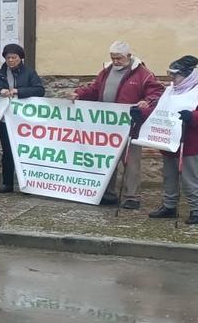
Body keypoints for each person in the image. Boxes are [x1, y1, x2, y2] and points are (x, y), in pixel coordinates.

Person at [69, 41, 163, 208]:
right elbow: (94, 89)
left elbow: (156, 92)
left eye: (119, 58)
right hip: (106, 126)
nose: (116, 62)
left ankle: (131, 197)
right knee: (107, 160)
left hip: (129, 125)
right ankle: (108, 193)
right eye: (113, 58)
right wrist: (80, 94)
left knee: (131, 162)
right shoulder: (106, 71)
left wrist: (146, 102)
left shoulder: (142, 73)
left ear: (128, 56)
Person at [0, 43, 45, 193]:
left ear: (21, 58)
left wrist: (19, 91)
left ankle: (32, 182)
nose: (11, 60)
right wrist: (0, 90)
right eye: (8, 58)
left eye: (14, 57)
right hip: (6, 118)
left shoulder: (29, 73)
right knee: (7, 151)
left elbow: (39, 90)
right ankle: (7, 183)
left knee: (28, 150)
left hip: (25, 119)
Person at [148, 55, 198, 225]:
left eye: (176, 76)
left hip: (189, 143)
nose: (173, 80)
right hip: (169, 140)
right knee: (169, 176)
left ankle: (196, 208)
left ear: (188, 75)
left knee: (190, 178)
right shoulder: (171, 90)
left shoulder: (196, 90)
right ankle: (169, 206)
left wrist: (192, 116)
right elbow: (159, 110)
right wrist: (142, 114)